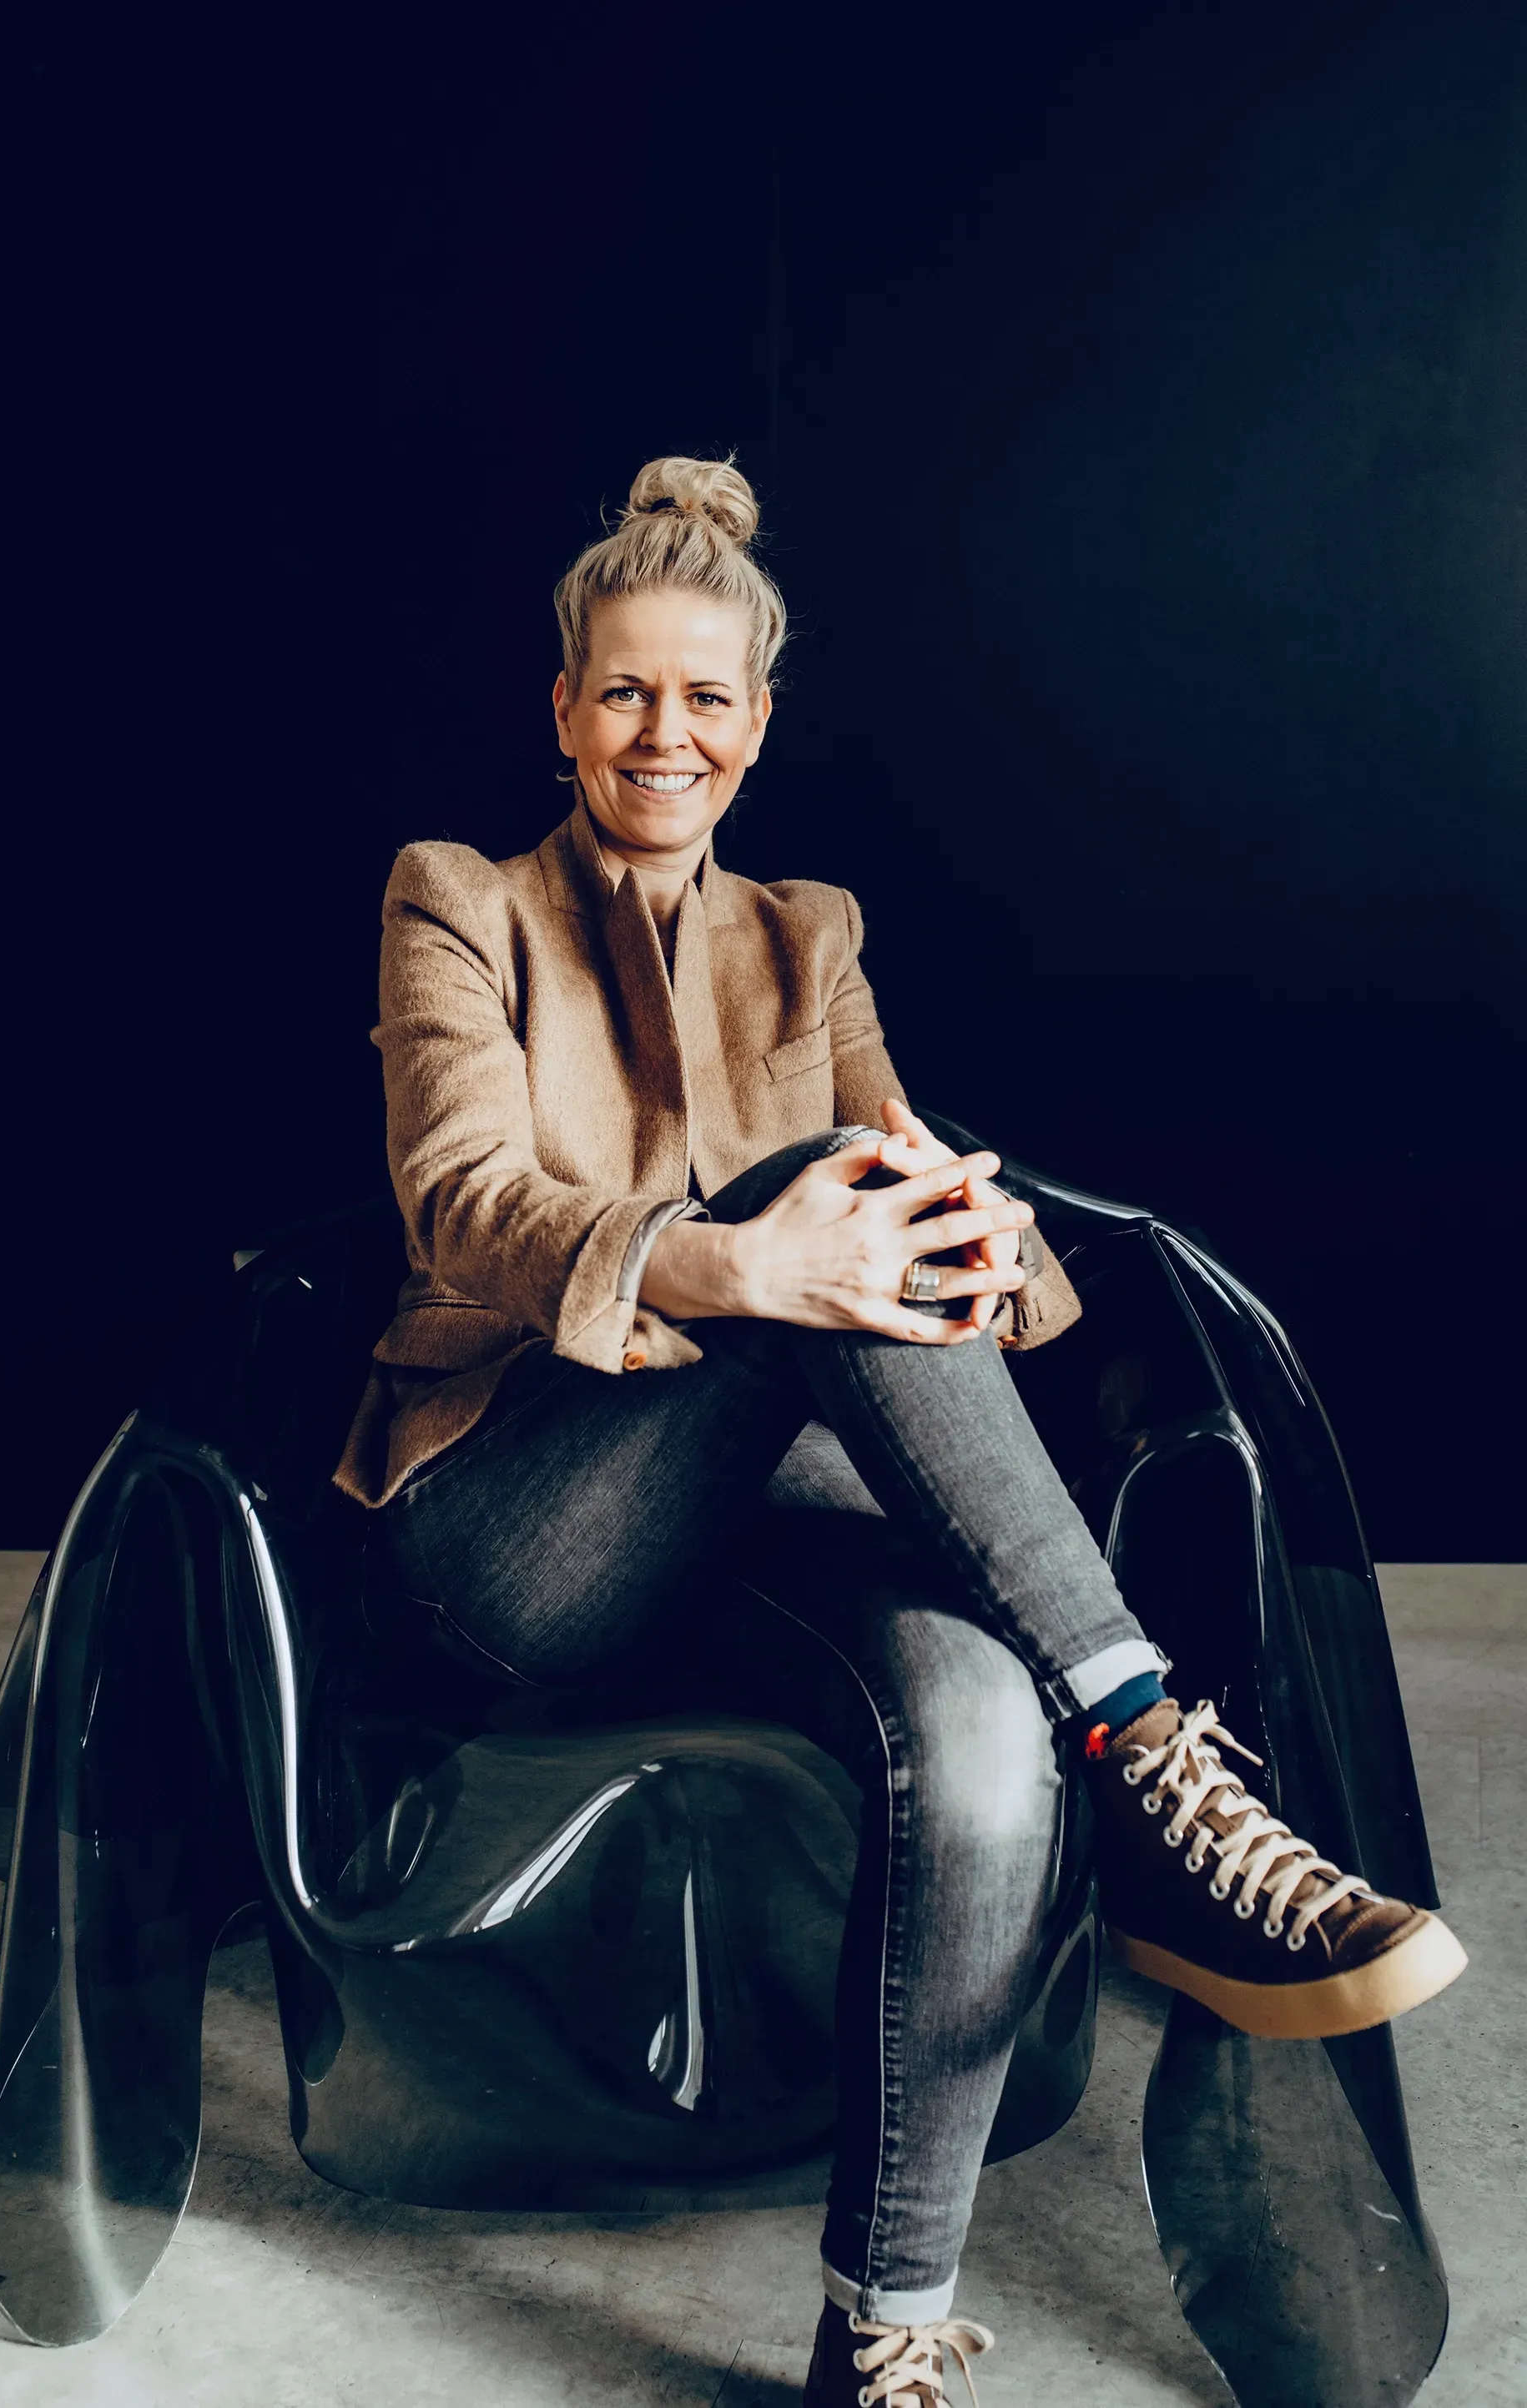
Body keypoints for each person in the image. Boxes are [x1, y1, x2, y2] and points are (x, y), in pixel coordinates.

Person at [335, 455, 1464, 2407]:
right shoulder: (461, 902)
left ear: (759, 726)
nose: (660, 734)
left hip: (760, 1505)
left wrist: (988, 1232)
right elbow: (464, 1206)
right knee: (807, 1189)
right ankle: (1171, 1760)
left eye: (704, 699)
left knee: (978, 1725)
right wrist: (744, 1263)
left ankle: (886, 2321)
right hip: (527, 1525)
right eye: (622, 693)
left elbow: (930, 1226)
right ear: (563, 712)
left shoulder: (809, 933)